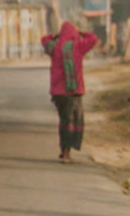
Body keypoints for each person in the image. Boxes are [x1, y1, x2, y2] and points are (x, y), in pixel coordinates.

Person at [42, 21, 98, 164]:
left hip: (57, 93)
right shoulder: (78, 46)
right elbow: (93, 38)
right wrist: (81, 32)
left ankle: (63, 151)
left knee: (64, 121)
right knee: (71, 122)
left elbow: (44, 39)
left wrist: (56, 36)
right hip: (73, 92)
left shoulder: (54, 47)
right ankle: (66, 154)